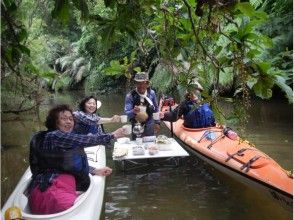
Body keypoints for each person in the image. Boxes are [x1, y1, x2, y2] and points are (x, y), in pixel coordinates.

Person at [28, 104, 126, 214]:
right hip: (49, 193)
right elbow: (85, 139)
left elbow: (67, 164)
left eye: (71, 119)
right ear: (54, 122)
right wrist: (112, 135)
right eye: (63, 119)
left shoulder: (62, 140)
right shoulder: (54, 136)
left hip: (61, 187)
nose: (69, 122)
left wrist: (94, 170)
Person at [124, 72, 160, 139]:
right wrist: (133, 111)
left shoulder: (152, 93)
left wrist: (157, 122)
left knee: (150, 145)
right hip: (136, 126)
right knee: (137, 145)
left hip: (150, 124)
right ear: (136, 84)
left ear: (147, 84)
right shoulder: (130, 96)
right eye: (139, 83)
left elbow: (156, 109)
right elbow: (127, 113)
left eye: (144, 83)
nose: (141, 86)